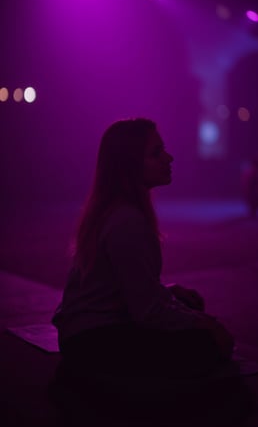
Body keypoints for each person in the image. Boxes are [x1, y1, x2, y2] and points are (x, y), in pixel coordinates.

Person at [50, 118, 239, 421]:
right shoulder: (126, 220)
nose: (169, 158)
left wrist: (175, 299)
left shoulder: (117, 211)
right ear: (130, 165)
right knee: (204, 346)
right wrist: (206, 325)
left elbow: (126, 290)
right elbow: (147, 311)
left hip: (86, 331)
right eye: (156, 153)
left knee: (189, 304)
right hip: (93, 338)